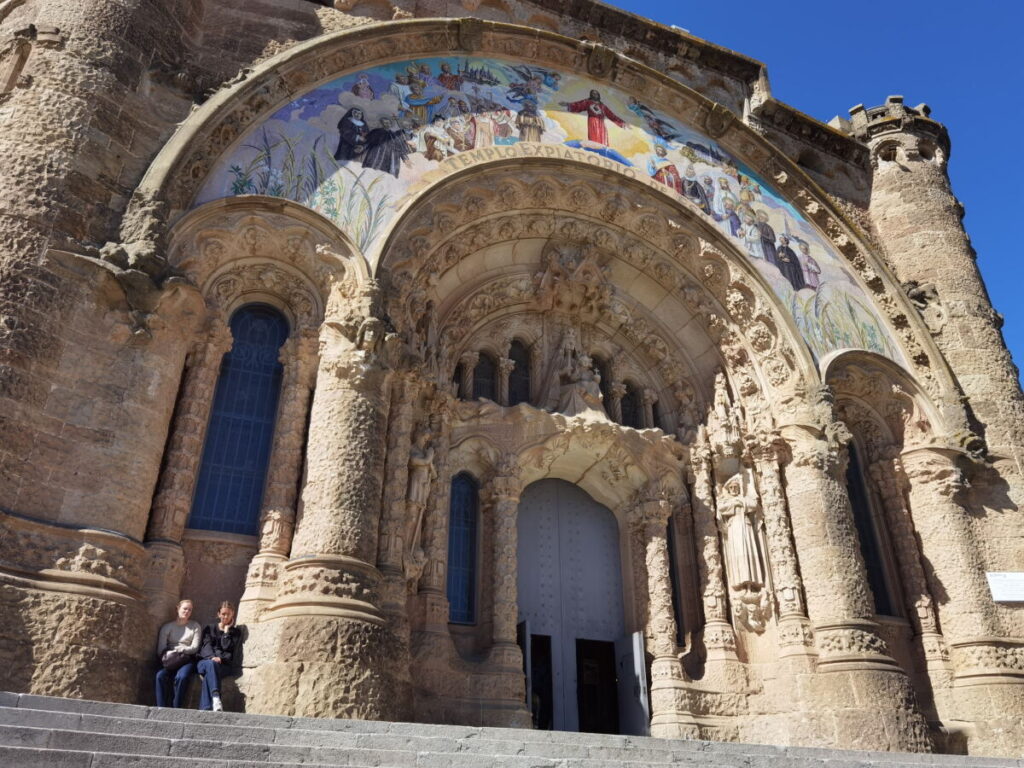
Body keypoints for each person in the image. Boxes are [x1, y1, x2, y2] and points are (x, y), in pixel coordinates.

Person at [154, 599, 201, 708]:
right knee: (160, 676)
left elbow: (194, 648)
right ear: (178, 608)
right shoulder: (167, 627)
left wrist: (180, 650)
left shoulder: (195, 626)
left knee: (182, 677)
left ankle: (176, 708)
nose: (187, 611)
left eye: (190, 610)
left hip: (186, 659)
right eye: (185, 608)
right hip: (169, 659)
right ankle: (160, 708)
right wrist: (171, 654)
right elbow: (160, 649)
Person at [196, 601, 241, 712]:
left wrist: (226, 632)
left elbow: (227, 648)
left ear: (232, 614)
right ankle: (216, 696)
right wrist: (212, 657)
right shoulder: (209, 628)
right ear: (218, 614)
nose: (225, 617)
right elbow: (206, 646)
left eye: (228, 614)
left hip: (223, 666)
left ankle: (206, 708)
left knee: (210, 674)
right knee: (211, 664)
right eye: (223, 614)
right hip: (205, 662)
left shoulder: (235, 632)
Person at [559, 89, 625, 146]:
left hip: (601, 123)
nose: (595, 95)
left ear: (599, 95)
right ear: (591, 95)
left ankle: (603, 146)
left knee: (603, 136)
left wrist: (621, 123)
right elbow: (579, 105)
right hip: (592, 120)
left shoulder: (602, 106)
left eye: (596, 94)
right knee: (594, 135)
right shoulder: (588, 102)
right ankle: (594, 146)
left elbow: (611, 115)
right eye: (593, 93)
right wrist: (568, 104)